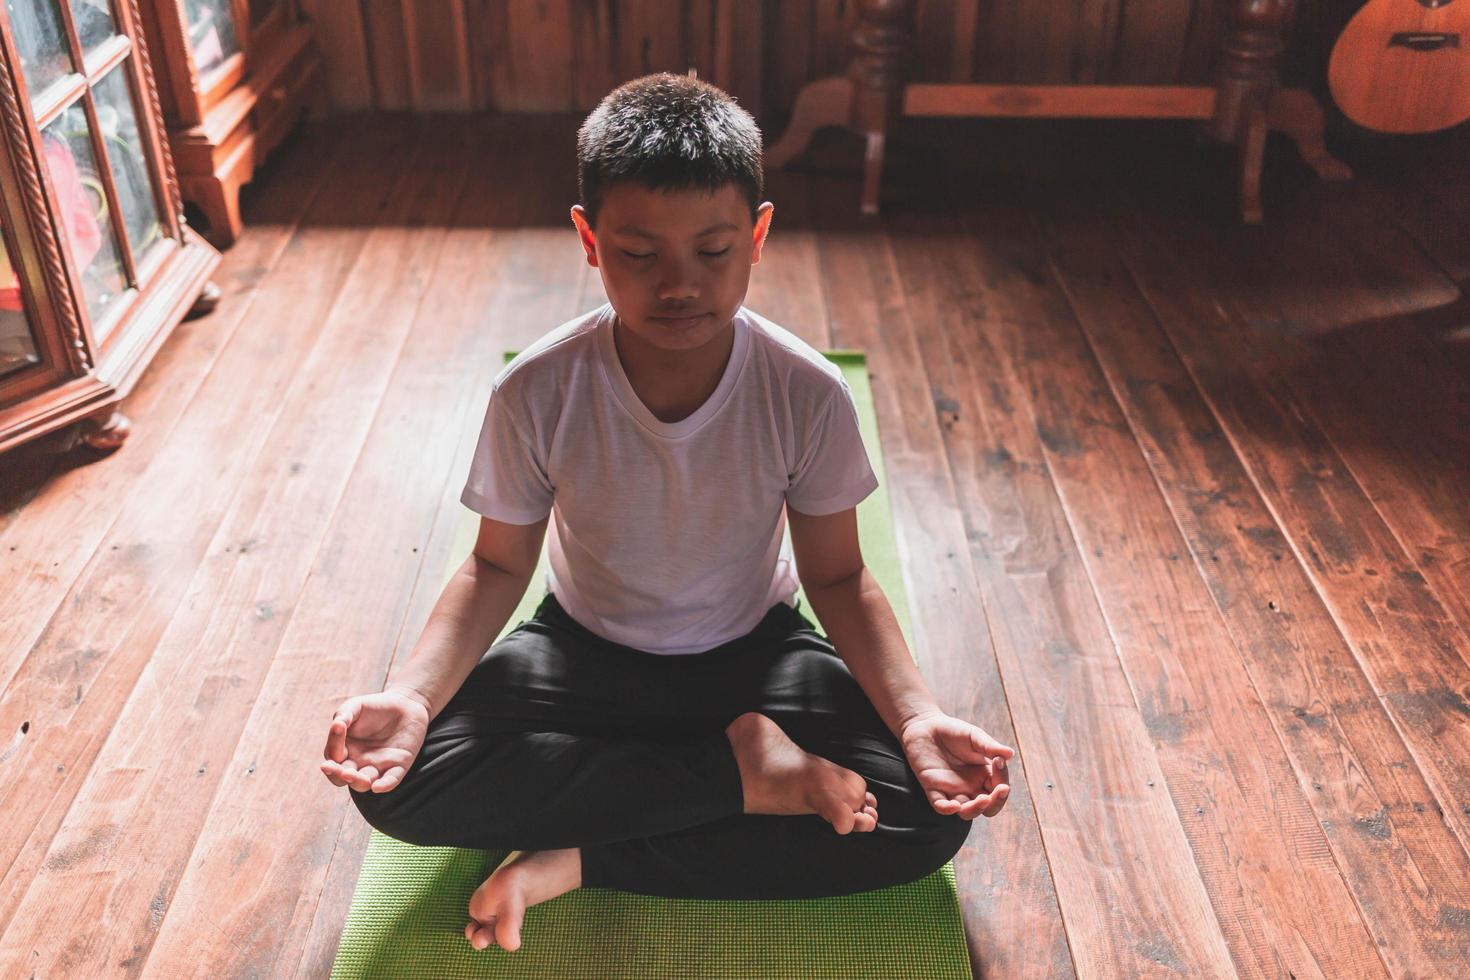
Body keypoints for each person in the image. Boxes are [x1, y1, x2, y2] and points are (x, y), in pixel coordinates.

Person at [320, 71, 1014, 956]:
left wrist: (917, 718)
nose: (679, 285)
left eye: (714, 251)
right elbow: (497, 566)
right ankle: (741, 778)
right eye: (640, 255)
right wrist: (413, 697)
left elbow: (838, 574)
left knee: (925, 816)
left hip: (754, 656)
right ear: (588, 239)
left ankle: (577, 858)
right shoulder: (536, 389)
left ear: (758, 235)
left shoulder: (804, 392)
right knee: (397, 785)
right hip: (582, 652)